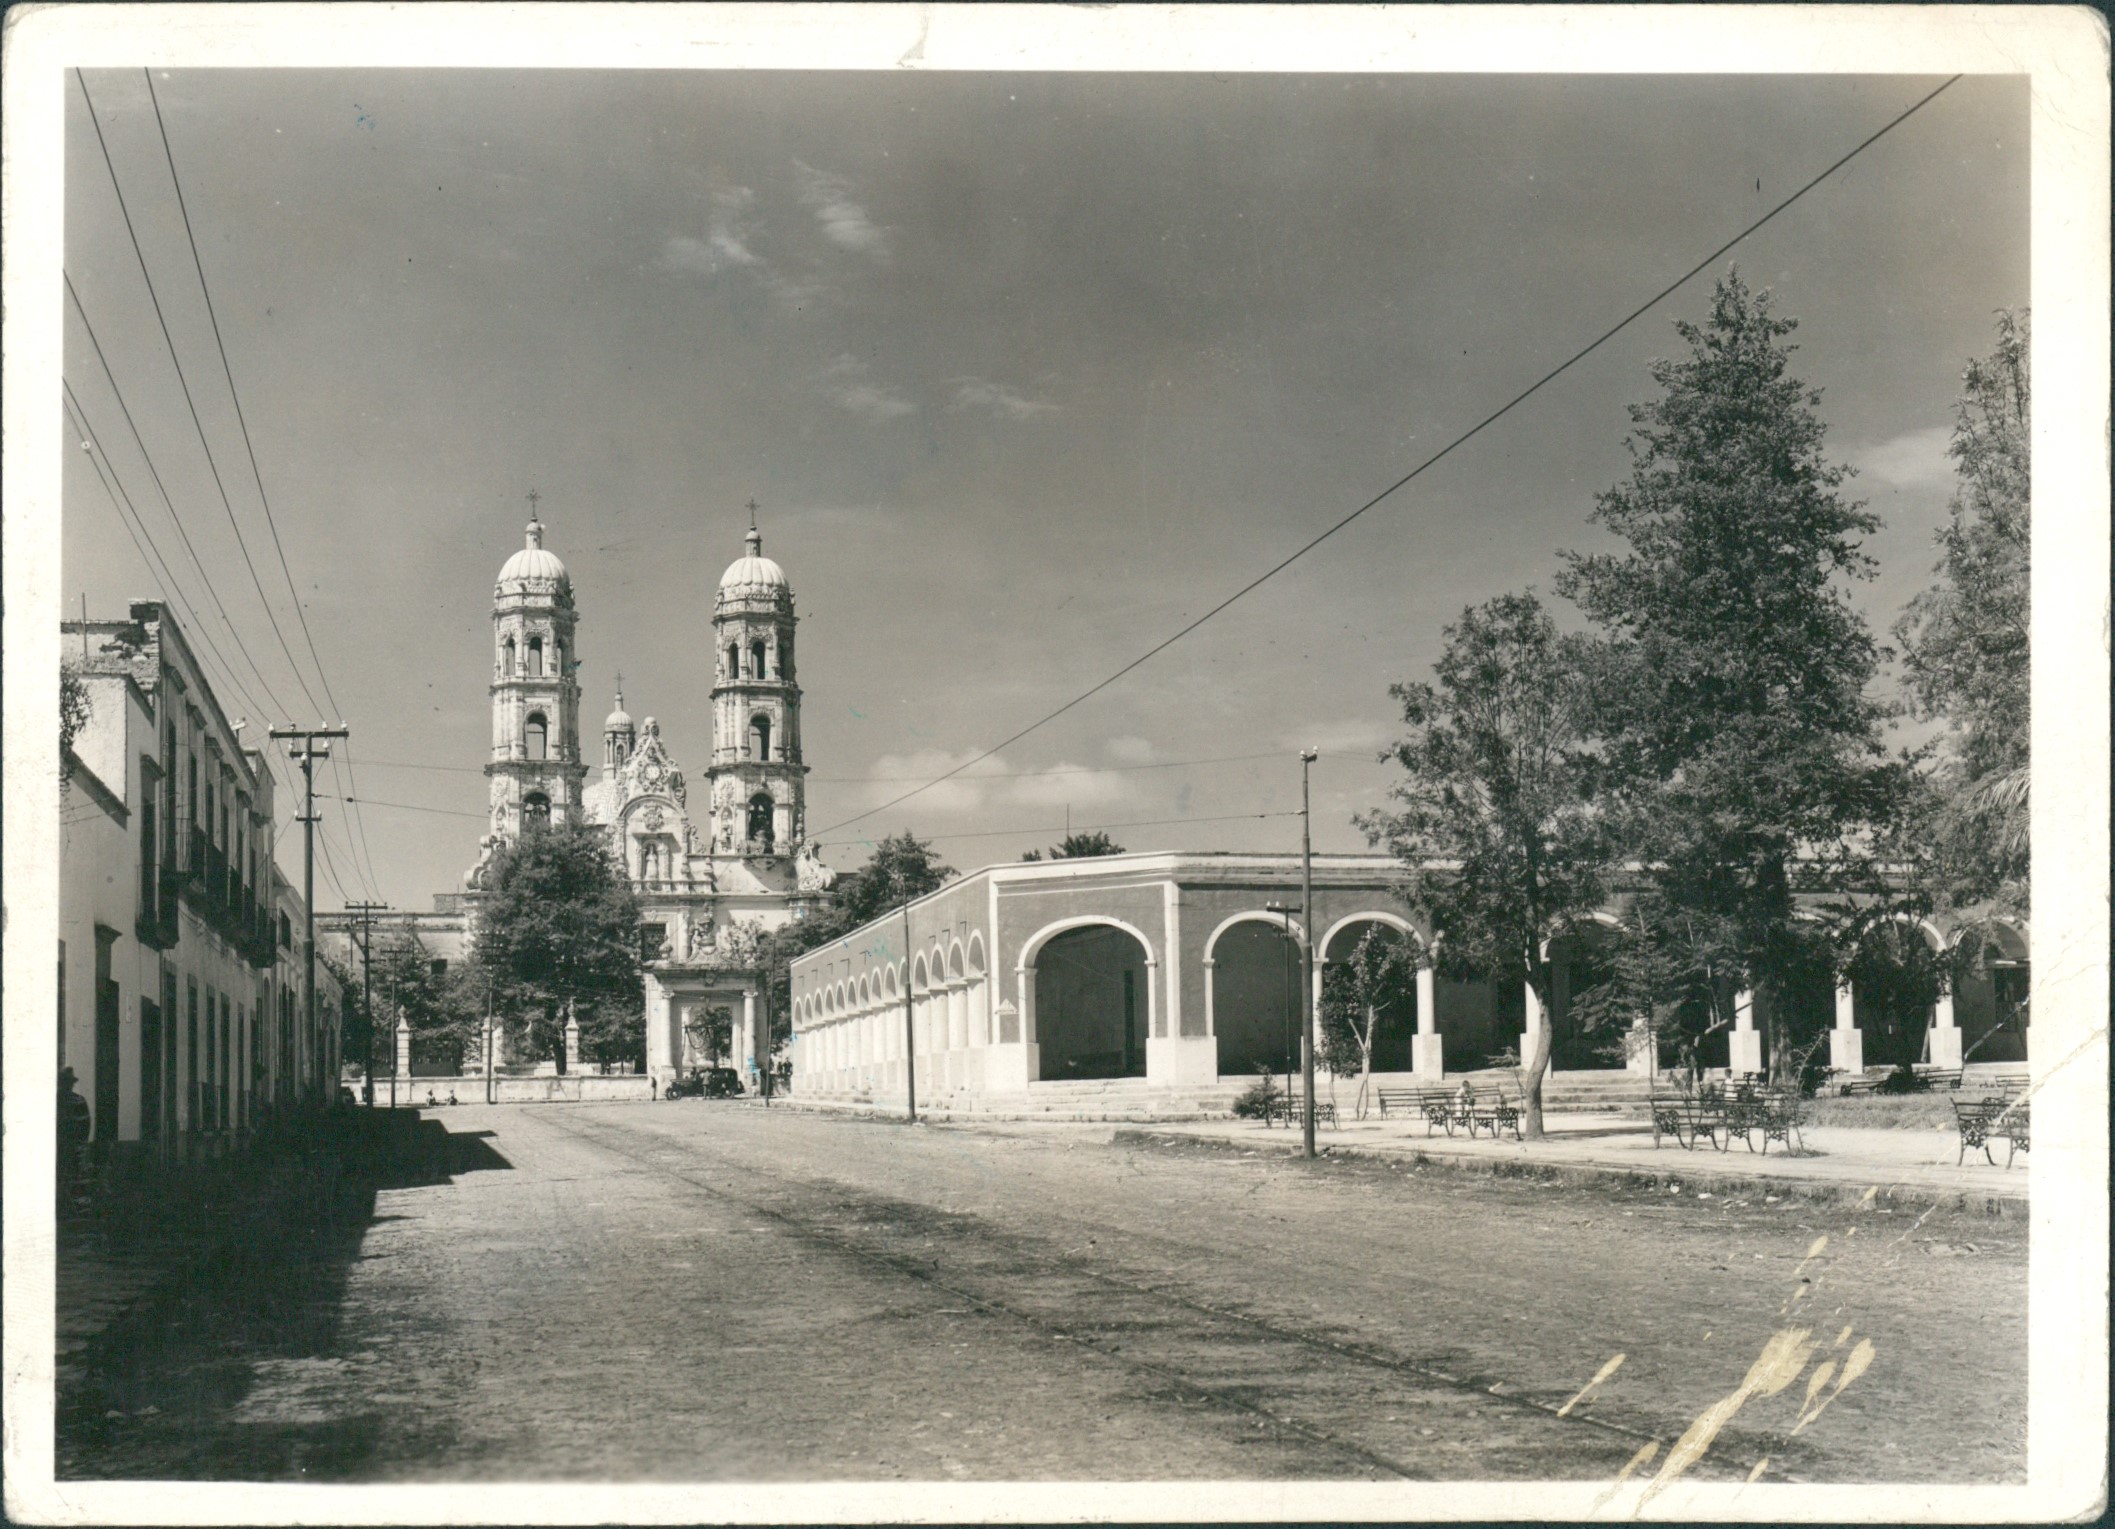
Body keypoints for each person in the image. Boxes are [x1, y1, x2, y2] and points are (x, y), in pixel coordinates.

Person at [57, 1068, 92, 1192]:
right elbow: (85, 1126)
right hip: (73, 1147)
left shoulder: (55, 1100)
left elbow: (85, 1125)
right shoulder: (78, 1100)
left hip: (65, 1147)